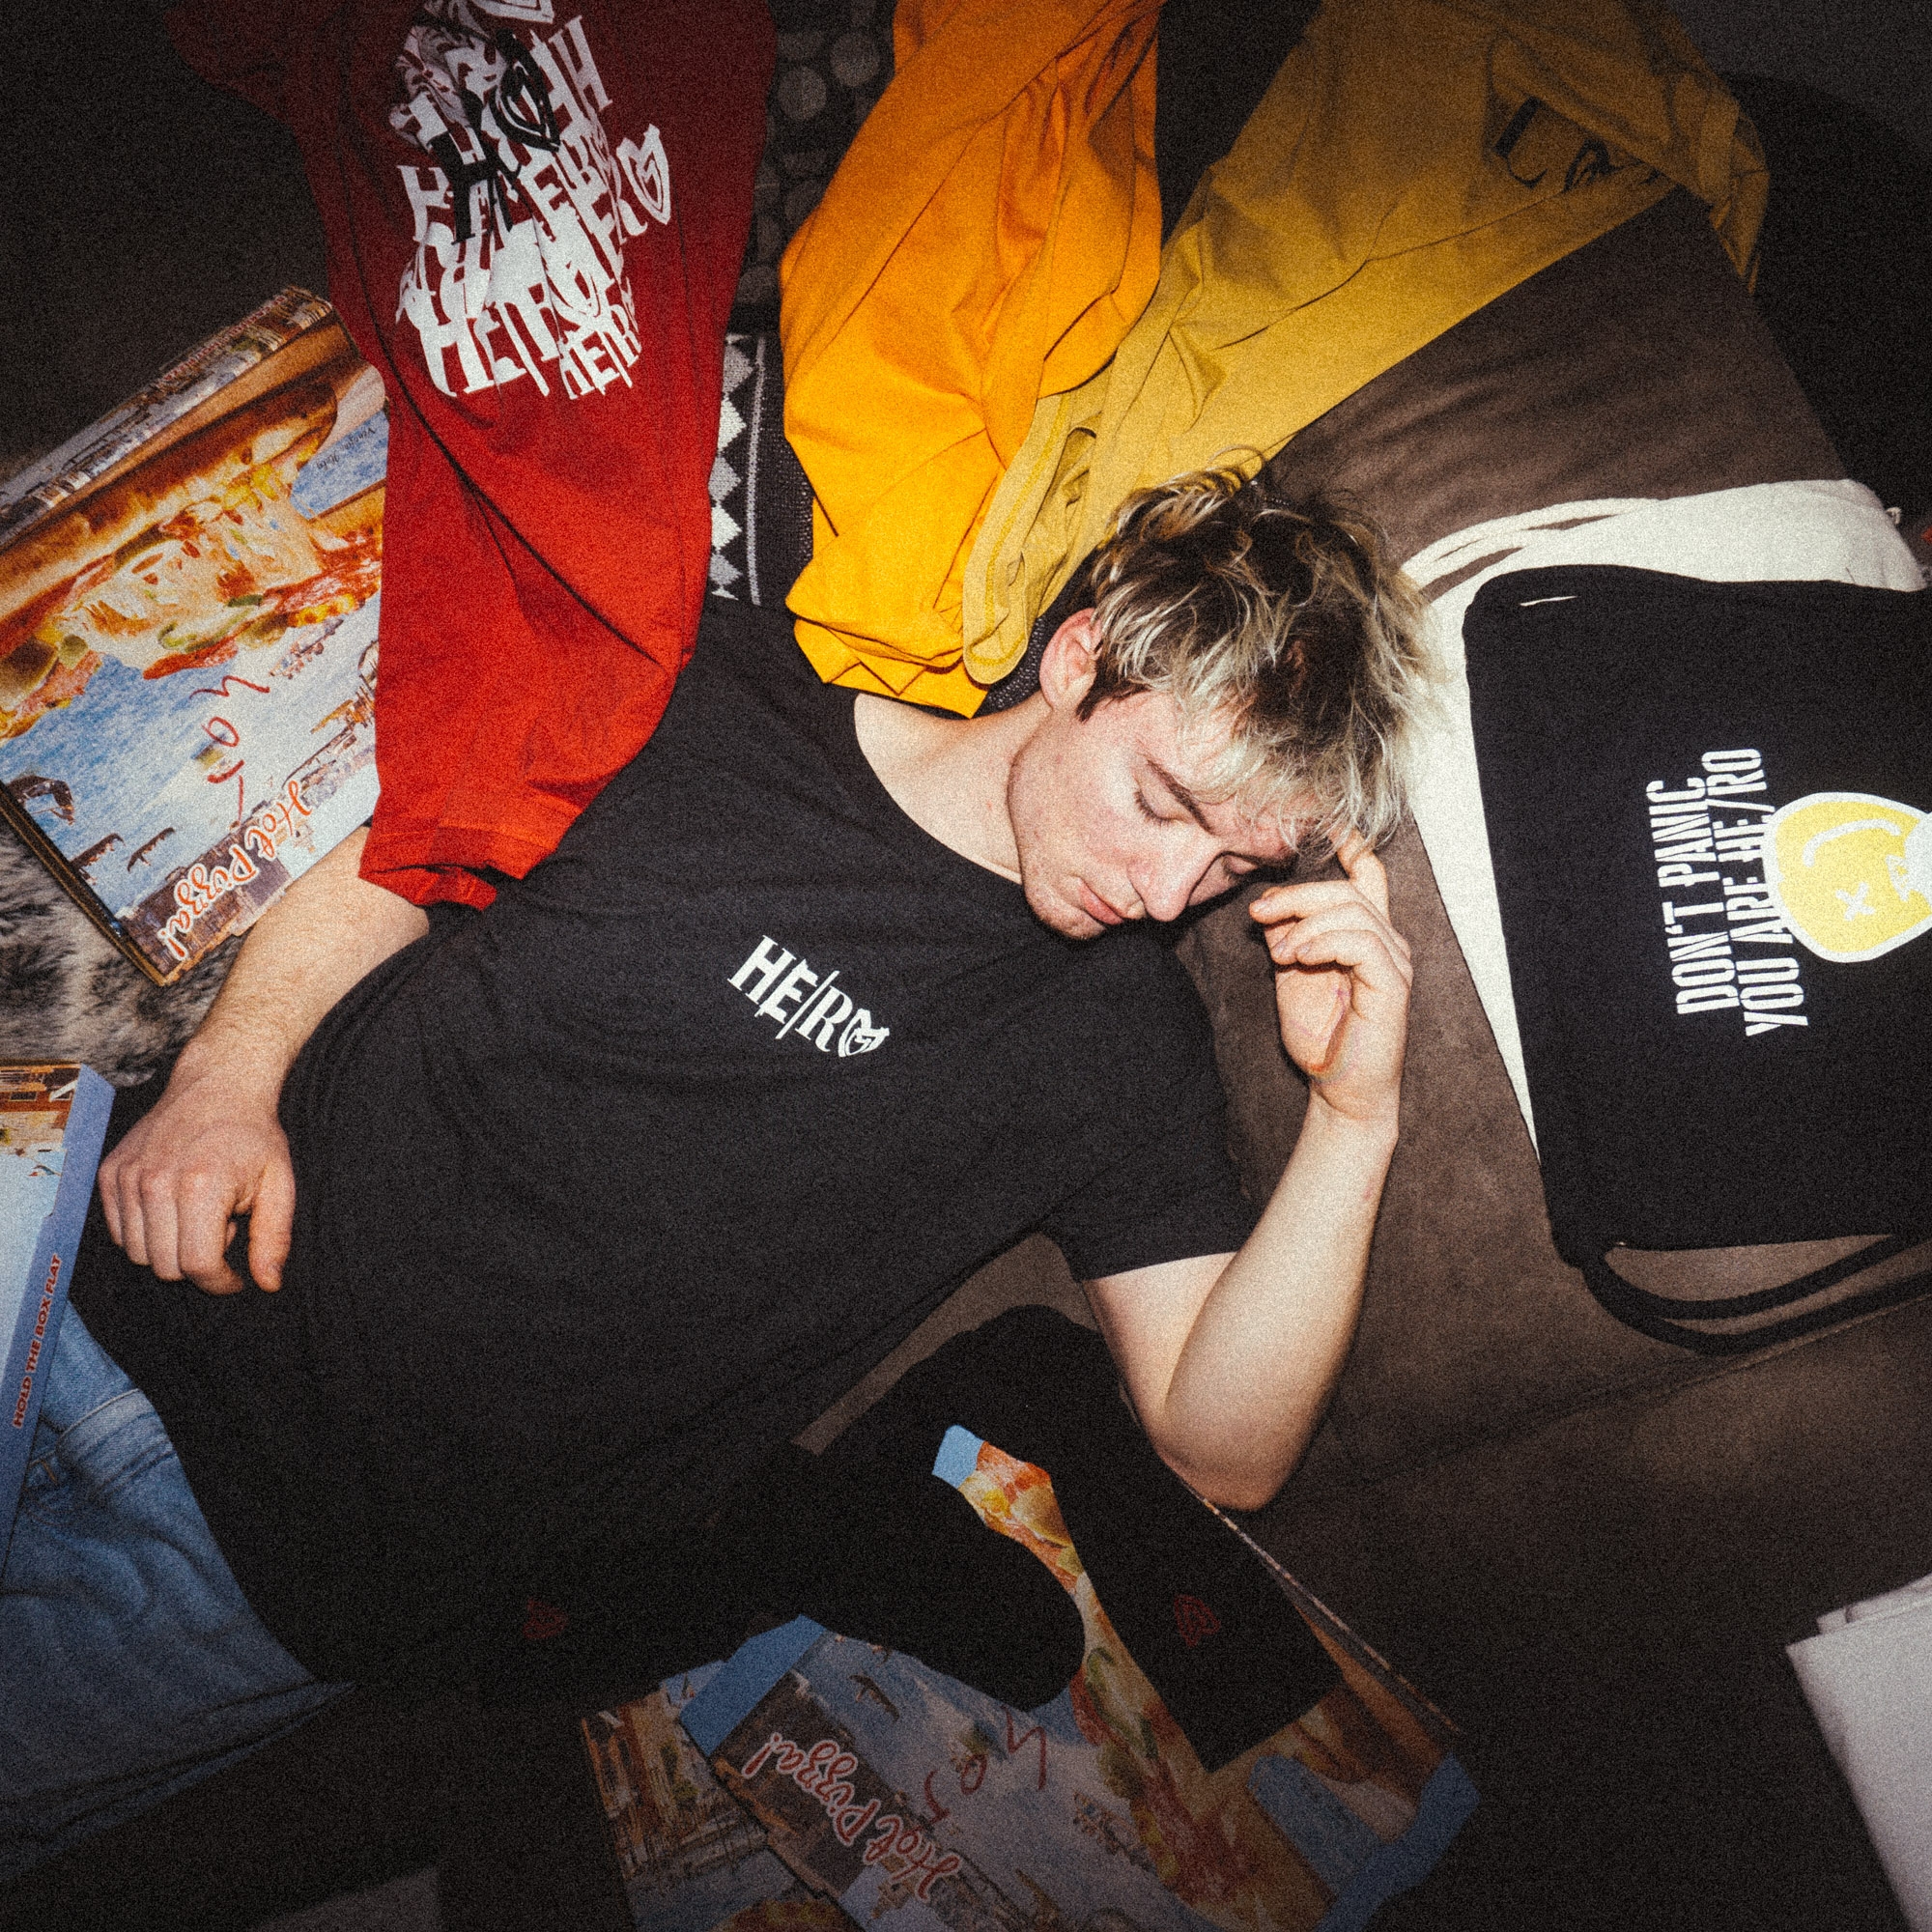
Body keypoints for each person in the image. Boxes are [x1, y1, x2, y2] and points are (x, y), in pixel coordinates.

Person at [1, 468, 1429, 1875]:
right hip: (97, 1274)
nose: (1171, 894)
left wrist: (1353, 1115)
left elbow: (1225, 1451)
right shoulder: (710, 679)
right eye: (1163, 805)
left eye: (1230, 868)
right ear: (1079, 660)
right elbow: (410, 846)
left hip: (281, 1560)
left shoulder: (1118, 1045)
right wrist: (228, 1077)